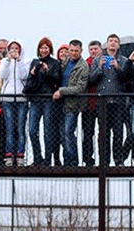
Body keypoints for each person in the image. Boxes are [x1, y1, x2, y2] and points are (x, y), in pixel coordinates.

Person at [89, 34, 132, 166]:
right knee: (103, 133)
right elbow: (91, 79)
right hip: (103, 102)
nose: (113, 44)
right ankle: (104, 161)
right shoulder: (97, 60)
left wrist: (117, 67)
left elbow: (125, 78)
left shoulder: (123, 60)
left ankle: (118, 160)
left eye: (115, 42)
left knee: (118, 132)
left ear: (118, 45)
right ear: (106, 45)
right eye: (110, 41)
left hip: (118, 101)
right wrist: (100, 68)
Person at [25, 37, 62, 166]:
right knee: (32, 130)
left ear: (50, 49)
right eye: (42, 48)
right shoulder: (34, 62)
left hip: (48, 99)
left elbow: (57, 80)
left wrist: (47, 72)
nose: (44, 50)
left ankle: (47, 159)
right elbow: (29, 82)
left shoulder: (55, 63)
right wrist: (33, 74)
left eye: (46, 48)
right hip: (35, 99)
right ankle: (37, 158)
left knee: (48, 131)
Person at [52, 39, 88, 167]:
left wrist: (61, 91)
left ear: (81, 51)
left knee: (68, 132)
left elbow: (79, 88)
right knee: (62, 133)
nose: (73, 53)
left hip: (72, 104)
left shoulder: (83, 67)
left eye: (76, 51)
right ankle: (66, 160)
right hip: (61, 103)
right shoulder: (66, 62)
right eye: (71, 50)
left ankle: (73, 162)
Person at [0, 39, 29, 166]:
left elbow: (24, 76)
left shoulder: (26, 61)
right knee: (10, 128)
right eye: (12, 48)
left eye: (17, 48)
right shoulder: (4, 61)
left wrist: (18, 61)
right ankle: (9, 155)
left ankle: (21, 154)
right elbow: (2, 75)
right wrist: (7, 60)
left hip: (21, 99)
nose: (14, 51)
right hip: (7, 99)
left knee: (20, 128)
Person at [81, 40, 102, 167]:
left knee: (102, 133)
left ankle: (102, 159)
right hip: (88, 103)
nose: (94, 51)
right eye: (91, 49)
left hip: (101, 103)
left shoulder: (105, 62)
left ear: (100, 49)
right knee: (88, 133)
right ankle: (88, 158)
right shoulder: (85, 64)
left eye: (96, 49)